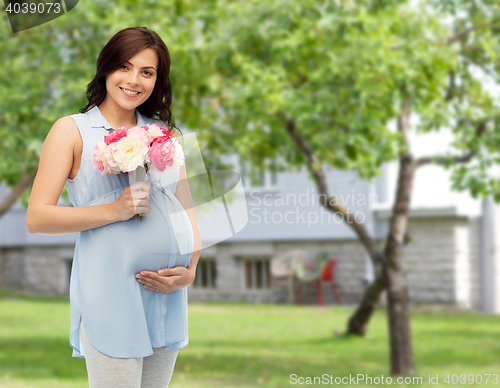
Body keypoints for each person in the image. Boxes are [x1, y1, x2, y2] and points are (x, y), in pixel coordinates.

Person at [26, 26, 201, 388]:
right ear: (105, 68)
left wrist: (191, 270)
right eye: (124, 66)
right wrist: (114, 210)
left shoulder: (167, 136)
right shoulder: (70, 131)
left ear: (158, 80)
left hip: (165, 296)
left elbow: (189, 212)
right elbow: (37, 217)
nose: (134, 80)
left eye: (147, 72)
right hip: (109, 293)